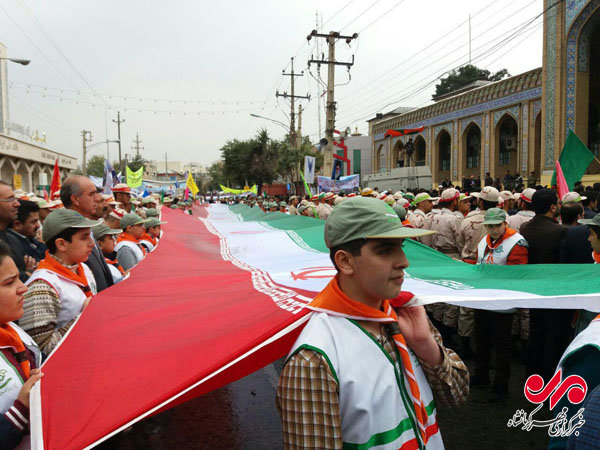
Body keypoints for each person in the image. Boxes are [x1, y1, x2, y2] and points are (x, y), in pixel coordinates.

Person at [276, 197, 468, 449]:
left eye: (401, 246)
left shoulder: (405, 315)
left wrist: (425, 345)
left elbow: (457, 398)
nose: (403, 261)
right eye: (385, 250)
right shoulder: (314, 359)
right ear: (345, 261)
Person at [19, 209, 100, 354]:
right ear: (61, 244)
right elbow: (41, 349)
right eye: (84, 237)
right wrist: (84, 317)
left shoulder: (84, 268)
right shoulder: (41, 286)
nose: (92, 243)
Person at [472, 208, 528, 402]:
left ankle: (501, 385)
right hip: (482, 297)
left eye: (497, 225)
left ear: (505, 223)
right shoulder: (484, 240)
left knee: (502, 344)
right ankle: (481, 375)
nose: (493, 229)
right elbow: (478, 263)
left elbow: (517, 274)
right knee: (482, 338)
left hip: (502, 301)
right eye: (489, 226)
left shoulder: (517, 242)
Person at [520, 189, 570, 380]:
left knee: (536, 332)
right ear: (552, 207)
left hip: (533, 290)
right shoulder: (560, 231)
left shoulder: (525, 228)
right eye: (557, 203)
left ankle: (532, 376)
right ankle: (550, 379)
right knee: (553, 337)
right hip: (554, 291)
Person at [0, 241, 43, 449]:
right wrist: (22, 407)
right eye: (9, 283)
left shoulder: (12, 329)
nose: (23, 288)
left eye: (19, 278)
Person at [456, 186, 500, 356]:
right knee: (490, 305)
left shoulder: (467, 220)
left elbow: (459, 242)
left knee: (466, 307)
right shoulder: (503, 222)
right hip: (492, 267)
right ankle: (488, 345)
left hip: (469, 264)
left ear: (480, 202)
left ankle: (466, 345)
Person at [61, 176, 114, 292]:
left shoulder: (87, 227)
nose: (96, 199)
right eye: (91, 194)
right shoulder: (65, 232)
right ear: (75, 199)